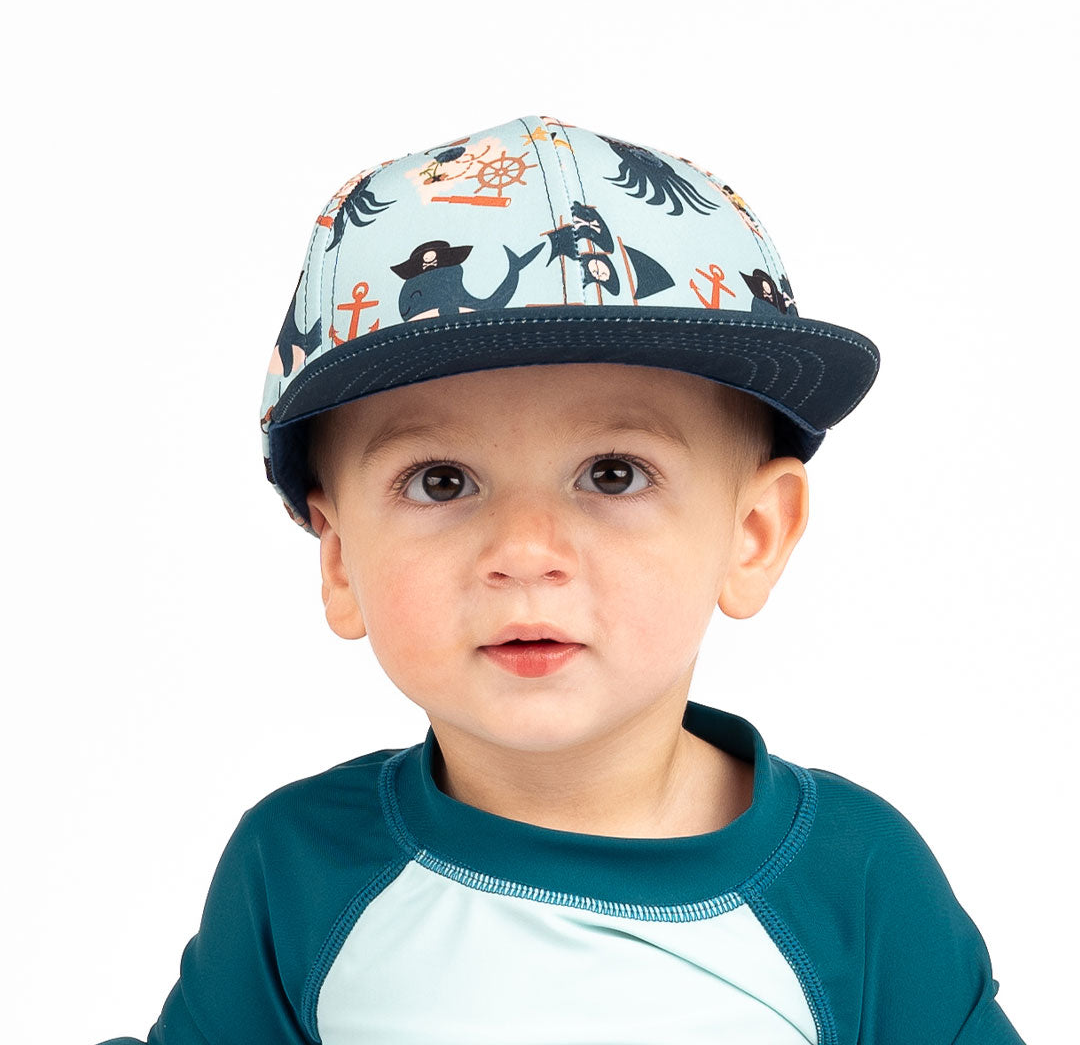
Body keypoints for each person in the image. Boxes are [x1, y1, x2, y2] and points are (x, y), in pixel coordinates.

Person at [99, 114, 1024, 1044]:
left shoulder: (855, 883)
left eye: (613, 473)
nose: (526, 550)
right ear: (339, 559)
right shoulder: (298, 873)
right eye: (441, 481)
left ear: (752, 533)